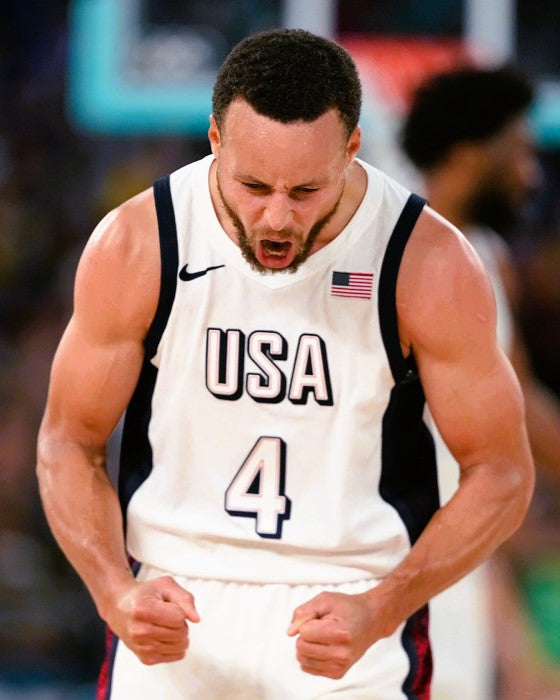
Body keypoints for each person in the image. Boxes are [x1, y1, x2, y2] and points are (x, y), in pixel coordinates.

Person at [36, 30, 534, 699]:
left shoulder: (427, 261)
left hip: (349, 604)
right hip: (173, 597)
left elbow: (502, 471)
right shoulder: (140, 241)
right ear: (215, 139)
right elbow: (68, 442)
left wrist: (384, 606)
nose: (276, 217)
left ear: (351, 149)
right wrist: (112, 591)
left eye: (305, 190)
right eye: (252, 185)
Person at [401, 65, 560, 699]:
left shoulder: (487, 256)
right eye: (519, 153)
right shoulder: (385, 252)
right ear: (470, 153)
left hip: (457, 555)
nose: (531, 175)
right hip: (378, 550)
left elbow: (521, 405)